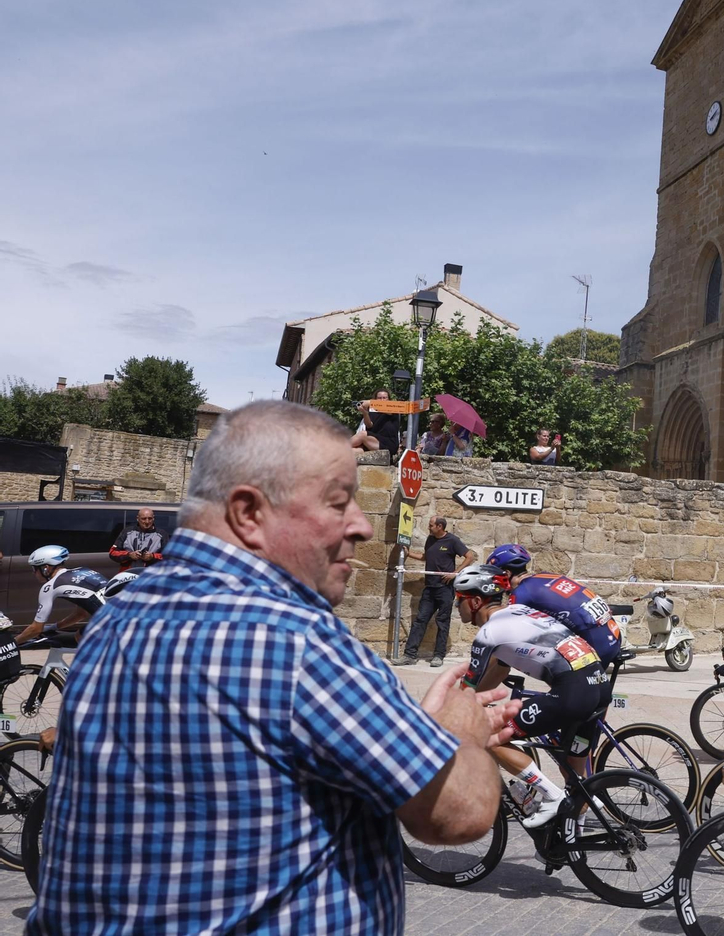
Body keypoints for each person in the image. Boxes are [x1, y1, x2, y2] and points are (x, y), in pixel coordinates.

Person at [27, 400, 520, 936]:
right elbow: (456, 812)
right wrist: (461, 731)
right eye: (338, 503)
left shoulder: (116, 619)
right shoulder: (297, 641)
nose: (361, 526)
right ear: (248, 512)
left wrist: (412, 731)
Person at [455, 565, 610, 828]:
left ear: (475, 601)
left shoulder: (488, 633)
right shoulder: (521, 611)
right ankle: (573, 837)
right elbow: (497, 673)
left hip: (574, 691)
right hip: (599, 685)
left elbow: (466, 690)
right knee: (574, 777)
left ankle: (551, 797)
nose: (456, 607)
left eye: (459, 600)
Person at [486, 544, 623, 664]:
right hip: (613, 637)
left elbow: (507, 633)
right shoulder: (546, 577)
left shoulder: (521, 593)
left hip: (597, 648)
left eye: (496, 578)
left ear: (507, 573)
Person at [396, 516, 476, 667]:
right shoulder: (430, 539)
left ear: (440, 526)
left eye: (431, 525)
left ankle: (438, 656)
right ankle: (409, 655)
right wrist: (409, 554)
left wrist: (455, 573)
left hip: (445, 589)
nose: (429, 527)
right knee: (420, 620)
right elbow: (425, 557)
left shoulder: (452, 540)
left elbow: (469, 556)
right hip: (429, 588)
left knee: (442, 622)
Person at [14, 546, 109, 645]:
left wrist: (13, 643)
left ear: (46, 568)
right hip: (118, 614)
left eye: (35, 568)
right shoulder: (84, 570)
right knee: (83, 634)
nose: (34, 573)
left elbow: (36, 629)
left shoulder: (50, 586)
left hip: (111, 621)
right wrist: (53, 627)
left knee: (82, 637)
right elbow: (80, 614)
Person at [350, 389, 401, 455]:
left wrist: (370, 402)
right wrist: (365, 413)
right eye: (379, 398)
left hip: (388, 443)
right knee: (353, 450)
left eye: (384, 398)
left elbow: (387, 410)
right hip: (373, 441)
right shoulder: (373, 412)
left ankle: (339, 446)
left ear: (389, 399)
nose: (382, 400)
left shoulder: (393, 410)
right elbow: (369, 425)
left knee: (363, 434)